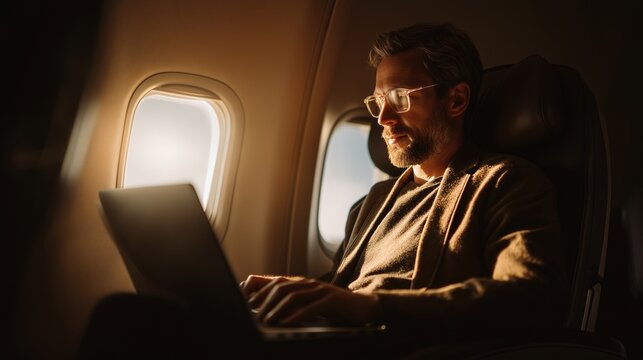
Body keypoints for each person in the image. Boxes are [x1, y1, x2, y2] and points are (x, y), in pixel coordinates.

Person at [241, 22, 568, 348]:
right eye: (378, 100)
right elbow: (343, 290)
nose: (382, 118)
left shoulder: (504, 181)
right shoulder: (374, 200)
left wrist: (374, 305)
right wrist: (292, 291)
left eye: (399, 98)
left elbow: (529, 295)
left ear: (455, 100)